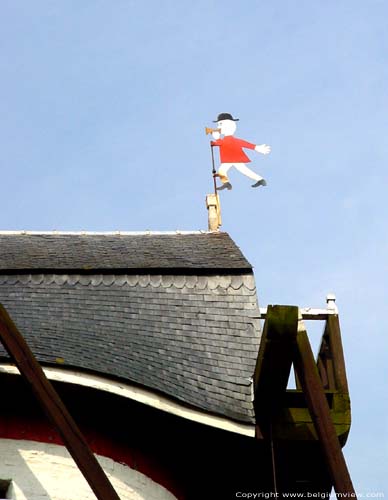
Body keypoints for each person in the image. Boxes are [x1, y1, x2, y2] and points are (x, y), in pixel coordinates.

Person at [210, 112, 271, 190]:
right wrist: (255, 147)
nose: (218, 127)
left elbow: (223, 143)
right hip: (232, 158)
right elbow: (240, 143)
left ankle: (226, 183)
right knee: (243, 170)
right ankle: (260, 180)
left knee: (222, 170)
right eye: (218, 125)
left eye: (220, 124)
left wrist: (217, 139)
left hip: (232, 158)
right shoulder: (227, 139)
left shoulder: (228, 139)